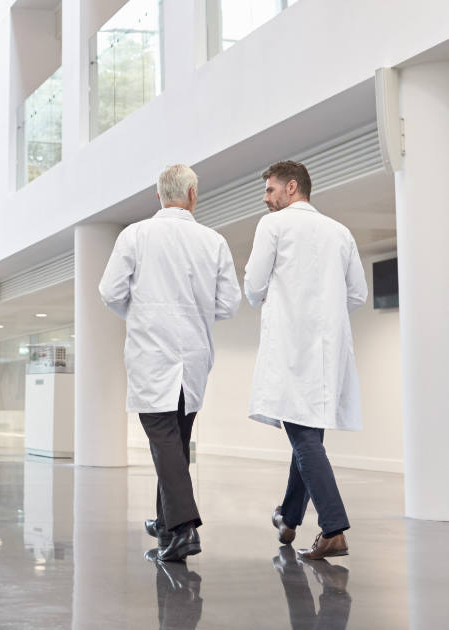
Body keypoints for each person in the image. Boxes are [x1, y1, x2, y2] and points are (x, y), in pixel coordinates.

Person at [99, 164, 241, 562]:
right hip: (193, 358)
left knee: (164, 442)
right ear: (193, 195)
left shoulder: (136, 235)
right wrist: (194, 311)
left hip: (152, 355)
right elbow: (228, 303)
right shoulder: (213, 240)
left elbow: (110, 292)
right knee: (175, 443)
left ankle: (183, 529)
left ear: (158, 196)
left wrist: (141, 313)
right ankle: (165, 523)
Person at [244, 160, 367, 560]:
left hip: (290, 346)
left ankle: (333, 528)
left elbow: (253, 285)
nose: (266, 199)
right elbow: (357, 295)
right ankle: (289, 516)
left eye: (270, 190)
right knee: (308, 436)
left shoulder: (274, 226)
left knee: (302, 437)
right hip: (327, 352)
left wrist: (267, 295)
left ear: (291, 187)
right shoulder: (340, 232)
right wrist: (327, 313)